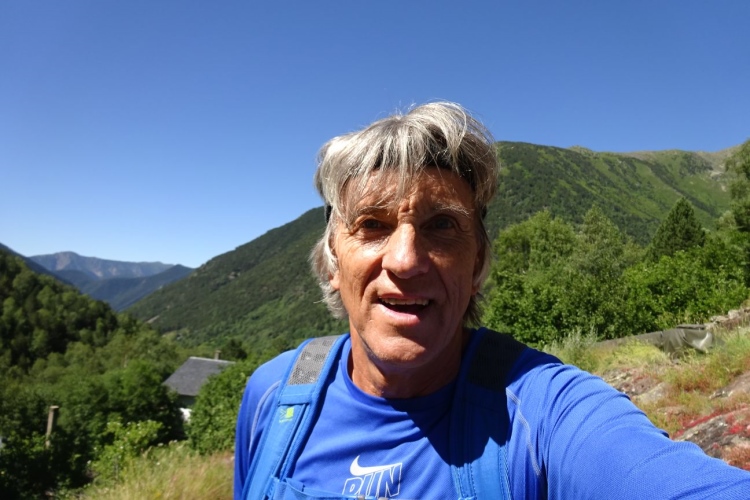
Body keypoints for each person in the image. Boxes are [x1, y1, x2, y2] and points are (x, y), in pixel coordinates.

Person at [235, 102, 750, 499]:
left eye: (442, 225)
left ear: (478, 263)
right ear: (332, 262)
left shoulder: (541, 413)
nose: (406, 260)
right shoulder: (273, 398)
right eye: (372, 224)